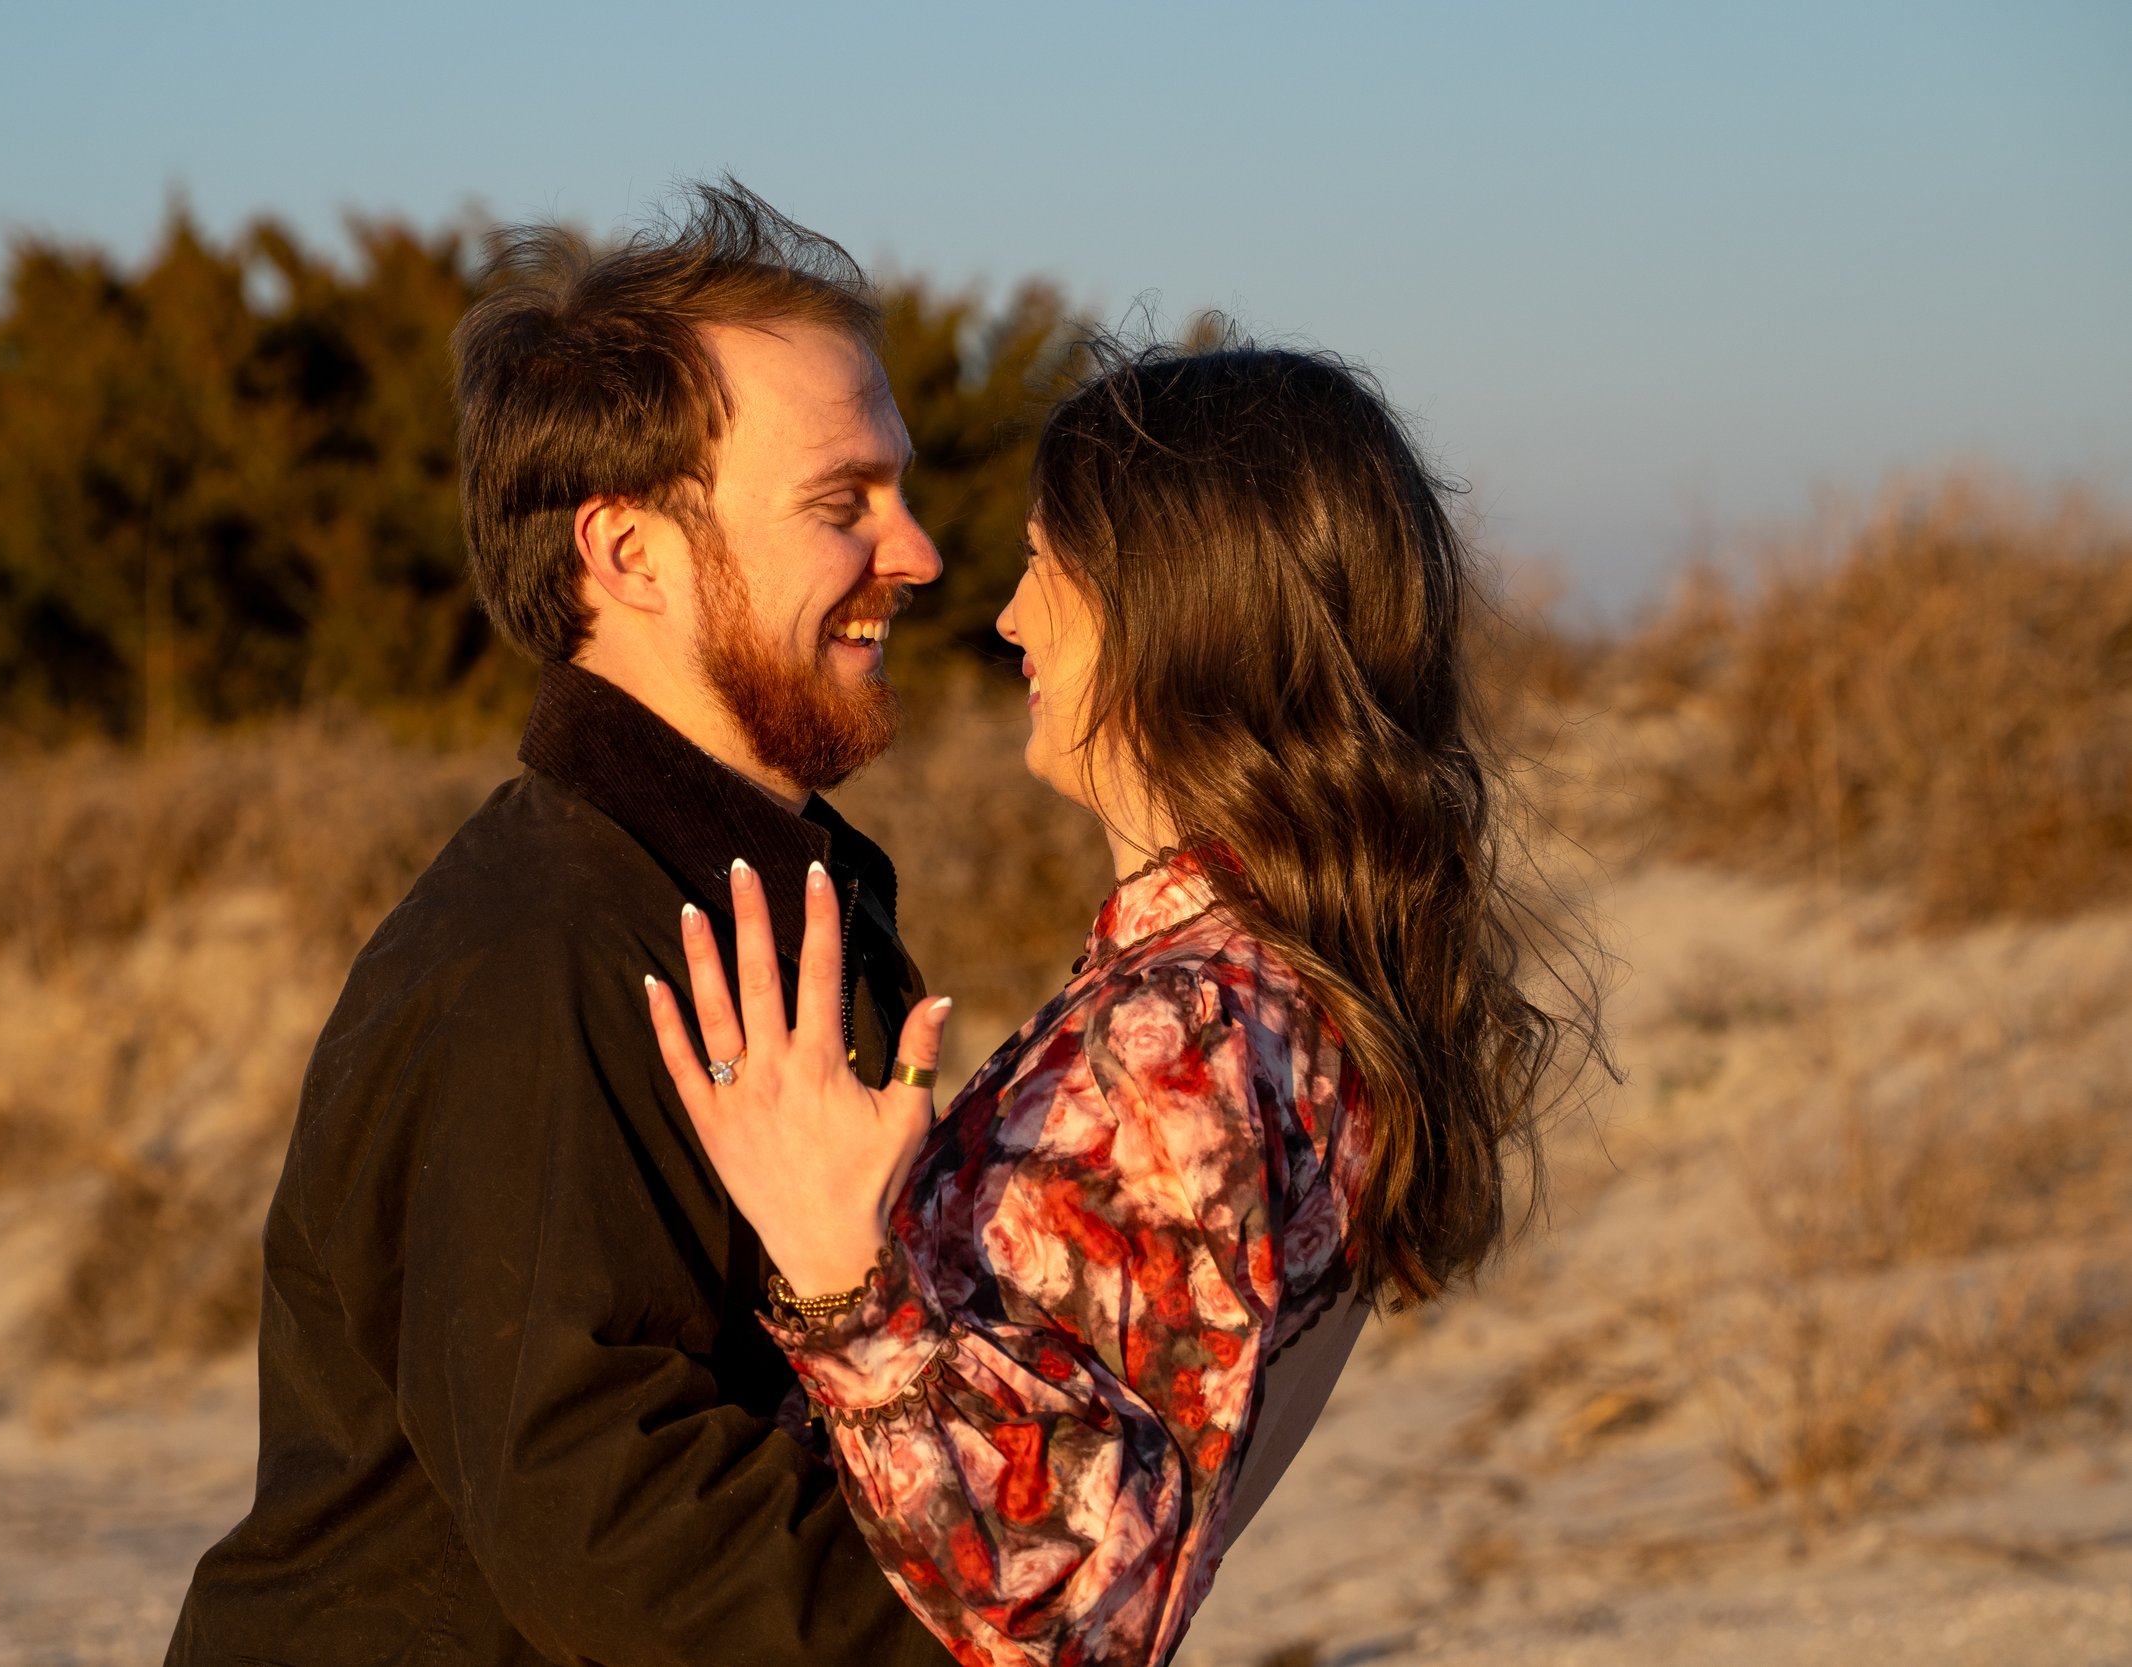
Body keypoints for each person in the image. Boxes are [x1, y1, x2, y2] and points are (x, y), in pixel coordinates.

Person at [647, 341, 1585, 1665]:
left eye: (1047, 566)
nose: (1009, 617)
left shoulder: (1184, 1035)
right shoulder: (1272, 983)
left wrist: (840, 1280)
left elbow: (1081, 1615)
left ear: (1169, 609)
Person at [167, 184, 957, 1664]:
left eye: (899, 491)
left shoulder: (754, 892)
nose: (916, 553)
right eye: (842, 503)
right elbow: (609, 1519)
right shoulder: (540, 957)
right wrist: (984, 1646)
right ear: (631, 553)